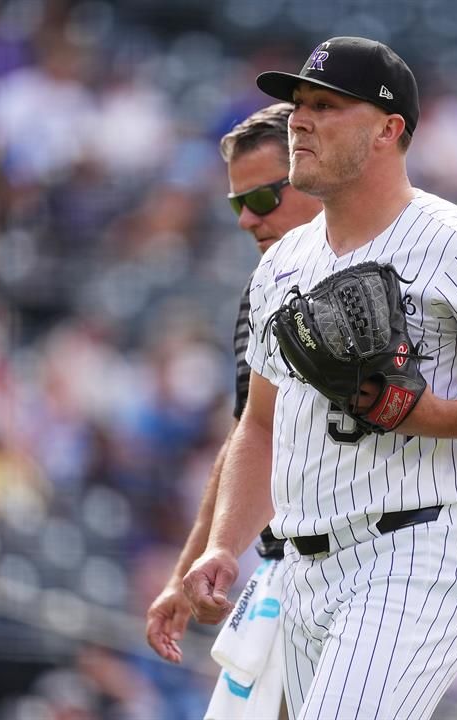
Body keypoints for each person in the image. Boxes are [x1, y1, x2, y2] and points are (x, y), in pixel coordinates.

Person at [183, 36, 457, 720]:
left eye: (326, 105)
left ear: (388, 129)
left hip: (415, 553)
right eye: (297, 106)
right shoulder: (283, 263)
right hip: (305, 573)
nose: (300, 120)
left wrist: (435, 416)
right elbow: (260, 424)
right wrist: (225, 547)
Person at [144, 103, 322, 666]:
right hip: (287, 571)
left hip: (375, 573)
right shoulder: (264, 290)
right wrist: (190, 566)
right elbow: (251, 434)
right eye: (237, 204)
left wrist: (438, 581)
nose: (248, 219)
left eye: (263, 197)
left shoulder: (407, 271)